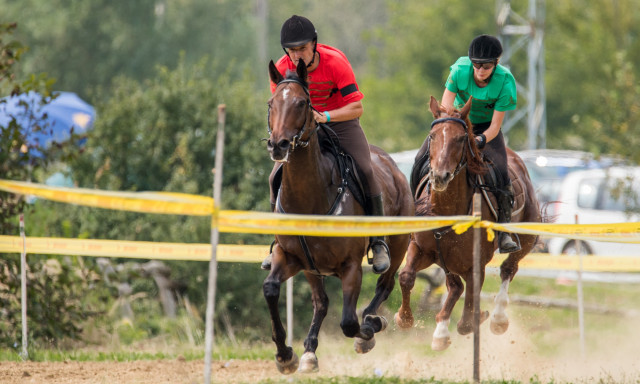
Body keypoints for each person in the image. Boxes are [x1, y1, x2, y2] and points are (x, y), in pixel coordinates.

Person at [261, 15, 390, 273]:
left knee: (364, 169)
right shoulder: (282, 68)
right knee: (275, 175)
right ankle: (276, 242)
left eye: (302, 48)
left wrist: (326, 116)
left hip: (340, 121)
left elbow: (357, 107)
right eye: (292, 50)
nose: (296, 55)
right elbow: (281, 105)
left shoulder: (335, 63)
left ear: (315, 44)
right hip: (303, 126)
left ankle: (378, 242)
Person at [440, 34, 520, 253]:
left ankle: (503, 232)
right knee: (423, 158)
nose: (481, 70)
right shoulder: (458, 71)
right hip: (457, 120)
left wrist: (479, 139)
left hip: (486, 129)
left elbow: (495, 126)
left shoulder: (505, 82)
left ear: (496, 64)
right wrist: (453, 129)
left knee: (502, 172)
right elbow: (445, 106)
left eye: (486, 66)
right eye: (476, 65)